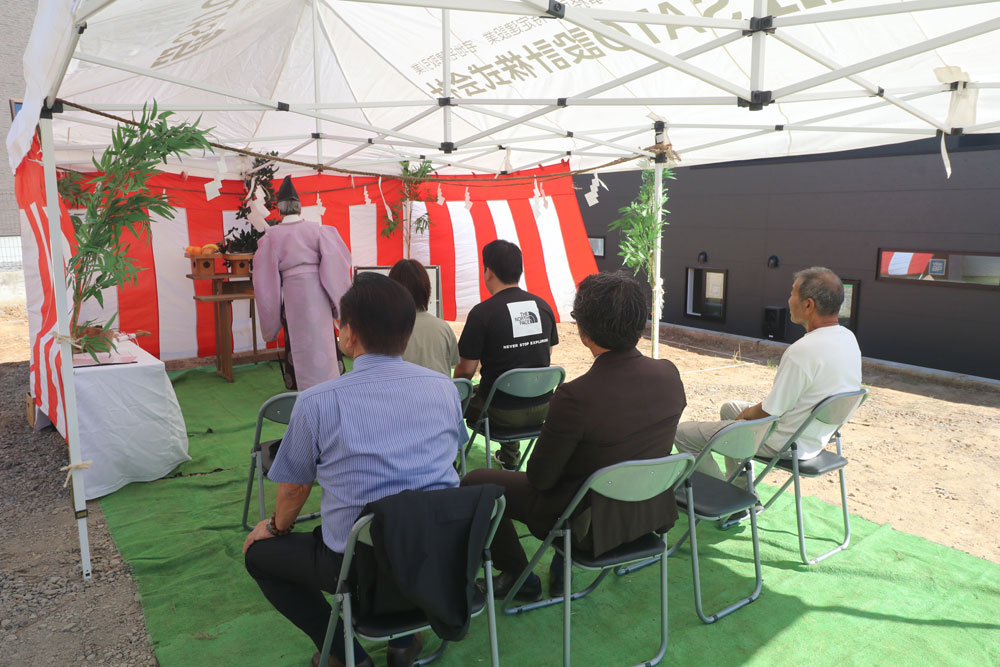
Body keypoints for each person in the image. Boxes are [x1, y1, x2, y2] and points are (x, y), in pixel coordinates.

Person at [243, 273, 465, 667]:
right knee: (403, 518)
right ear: (407, 334)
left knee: (259, 555)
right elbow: (450, 455)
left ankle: (345, 653)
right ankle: (403, 643)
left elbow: (294, 490)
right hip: (435, 551)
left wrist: (274, 528)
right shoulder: (444, 388)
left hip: (358, 565)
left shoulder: (316, 401)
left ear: (349, 335)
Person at [461, 272, 686, 600]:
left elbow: (540, 479)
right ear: (640, 323)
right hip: (647, 514)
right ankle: (557, 564)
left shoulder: (576, 397)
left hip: (587, 528)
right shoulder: (670, 375)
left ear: (583, 331)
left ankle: (517, 576)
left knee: (475, 482)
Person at [674, 266, 862, 488]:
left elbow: (771, 410)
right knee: (729, 409)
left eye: (792, 293)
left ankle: (723, 497)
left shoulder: (803, 350)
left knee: (683, 433)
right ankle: (742, 489)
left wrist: (745, 416)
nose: (788, 300)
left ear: (808, 305)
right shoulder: (848, 339)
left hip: (784, 442)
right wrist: (742, 416)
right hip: (814, 437)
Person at [454, 239, 558, 469]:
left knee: (455, 393)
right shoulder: (543, 307)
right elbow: (543, 357)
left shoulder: (482, 314)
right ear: (519, 271)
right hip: (542, 407)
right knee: (508, 385)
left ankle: (449, 460)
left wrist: (452, 390)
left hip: (499, 412)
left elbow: (465, 371)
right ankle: (510, 459)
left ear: (488, 272)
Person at [253, 176, 352, 391]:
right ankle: (330, 385)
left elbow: (265, 284)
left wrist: (271, 322)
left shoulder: (272, 237)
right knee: (323, 338)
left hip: (293, 296)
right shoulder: (318, 230)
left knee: (300, 342)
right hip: (319, 292)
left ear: (279, 210)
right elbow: (336, 264)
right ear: (299, 208)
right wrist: (338, 302)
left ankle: (303, 391)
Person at [388, 258, 458, 377]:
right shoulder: (443, 327)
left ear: (391, 290)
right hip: (440, 389)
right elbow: (452, 363)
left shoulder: (382, 331)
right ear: (427, 290)